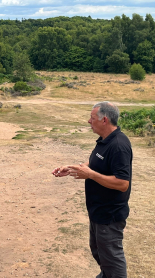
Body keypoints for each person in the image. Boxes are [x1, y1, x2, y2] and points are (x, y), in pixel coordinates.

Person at [52, 101, 132, 278]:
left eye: (92, 117)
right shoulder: (105, 140)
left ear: (104, 120)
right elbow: (96, 164)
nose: (89, 121)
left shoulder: (118, 145)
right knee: (99, 252)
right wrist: (74, 168)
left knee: (112, 259)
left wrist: (91, 175)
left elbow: (122, 183)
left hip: (109, 215)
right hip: (98, 211)